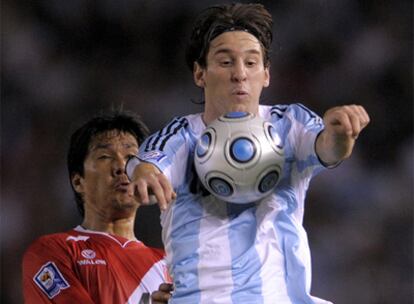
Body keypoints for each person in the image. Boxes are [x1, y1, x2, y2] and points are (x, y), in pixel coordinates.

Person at [130, 3, 370, 304]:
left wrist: (341, 133)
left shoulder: (289, 124)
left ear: (266, 74)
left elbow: (328, 149)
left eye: (252, 63)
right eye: (226, 62)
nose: (240, 74)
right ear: (200, 73)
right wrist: (145, 176)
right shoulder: (182, 136)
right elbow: (150, 163)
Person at [22, 111, 170, 304]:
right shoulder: (53, 251)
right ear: (78, 181)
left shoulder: (170, 263)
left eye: (131, 157)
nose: (121, 167)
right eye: (105, 156)